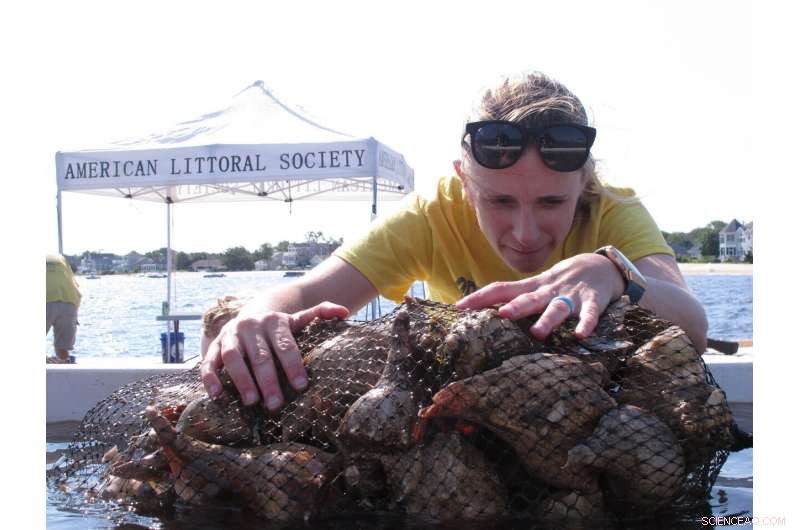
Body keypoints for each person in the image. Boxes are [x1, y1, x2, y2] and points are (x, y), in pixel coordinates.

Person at [201, 71, 707, 411]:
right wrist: (257, 314)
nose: (525, 234)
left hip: (588, 407)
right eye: (500, 202)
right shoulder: (432, 213)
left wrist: (615, 273)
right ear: (464, 182)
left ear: (583, 184)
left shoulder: (613, 208)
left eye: (552, 203)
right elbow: (307, 295)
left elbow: (693, 326)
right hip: (458, 412)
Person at [46, 254, 82, 362]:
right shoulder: (61, 260)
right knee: (62, 348)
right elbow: (74, 284)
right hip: (70, 301)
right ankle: (64, 362)